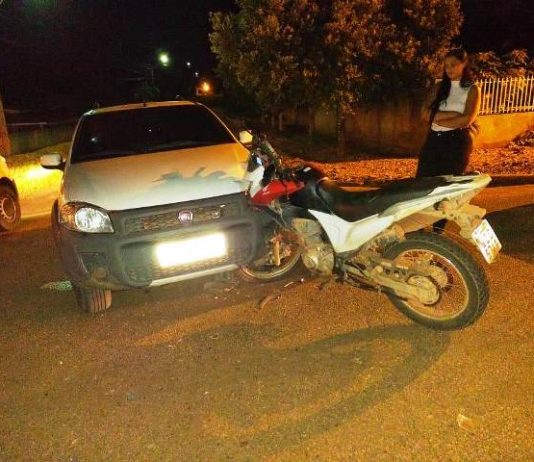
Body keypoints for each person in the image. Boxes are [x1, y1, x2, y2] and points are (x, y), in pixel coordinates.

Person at [417, 48, 481, 231]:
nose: (449, 69)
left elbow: (467, 119)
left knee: (446, 189)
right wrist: (452, 115)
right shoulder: (439, 87)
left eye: (453, 65)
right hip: (434, 140)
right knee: (421, 186)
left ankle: (438, 234)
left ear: (464, 64)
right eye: (446, 66)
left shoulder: (472, 90)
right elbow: (423, 114)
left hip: (456, 143)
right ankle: (418, 230)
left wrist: (436, 117)